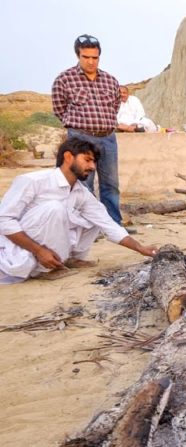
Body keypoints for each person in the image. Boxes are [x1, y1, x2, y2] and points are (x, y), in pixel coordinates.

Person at [0, 138, 157, 285]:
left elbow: (106, 222)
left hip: (44, 244)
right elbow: (4, 220)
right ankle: (45, 268)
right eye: (87, 160)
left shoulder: (80, 191)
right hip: (17, 248)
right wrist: (39, 250)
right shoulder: (33, 181)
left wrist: (140, 248)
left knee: (93, 217)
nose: (92, 167)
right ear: (68, 157)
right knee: (55, 208)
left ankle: (67, 259)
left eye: (94, 162)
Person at [51, 34, 129, 229]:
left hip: (108, 139)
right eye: (86, 57)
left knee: (111, 184)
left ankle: (113, 225)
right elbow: (59, 109)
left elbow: (114, 107)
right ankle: (87, 226)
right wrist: (79, 127)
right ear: (78, 56)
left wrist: (104, 124)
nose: (91, 61)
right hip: (81, 138)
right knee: (83, 184)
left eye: (95, 57)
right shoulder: (64, 79)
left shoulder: (110, 80)